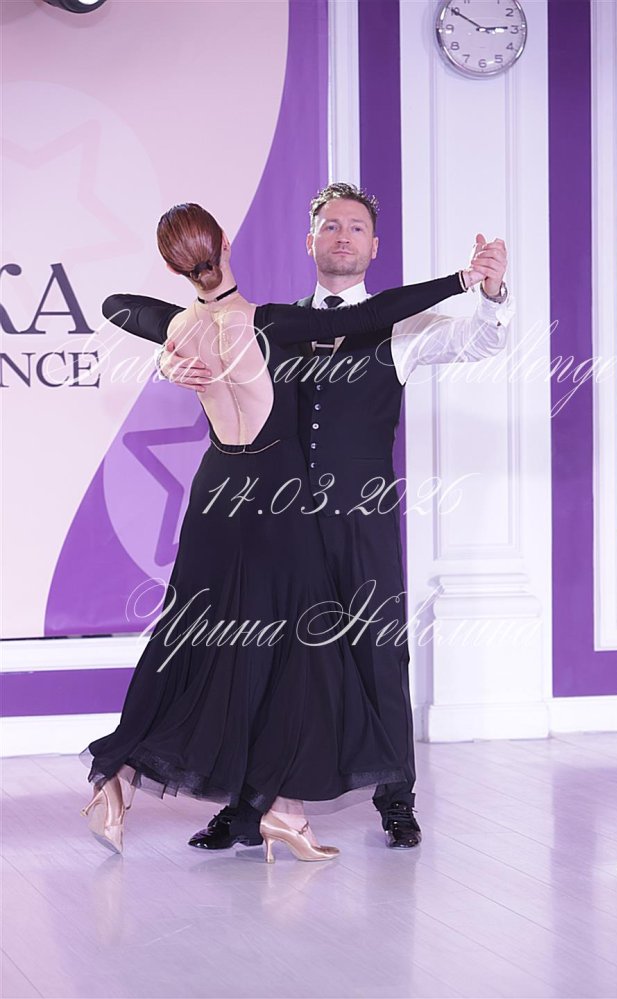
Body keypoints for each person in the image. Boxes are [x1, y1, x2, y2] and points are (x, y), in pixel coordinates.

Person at [82, 202, 489, 861]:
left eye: (355, 226)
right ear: (229, 243)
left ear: (174, 264)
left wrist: (168, 352)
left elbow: (118, 305)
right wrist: (461, 279)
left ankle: (130, 780)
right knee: (292, 659)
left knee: (212, 646)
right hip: (280, 505)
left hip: (226, 500)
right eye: (331, 225)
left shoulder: (184, 326)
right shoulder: (270, 320)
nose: (343, 236)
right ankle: (276, 810)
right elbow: (366, 318)